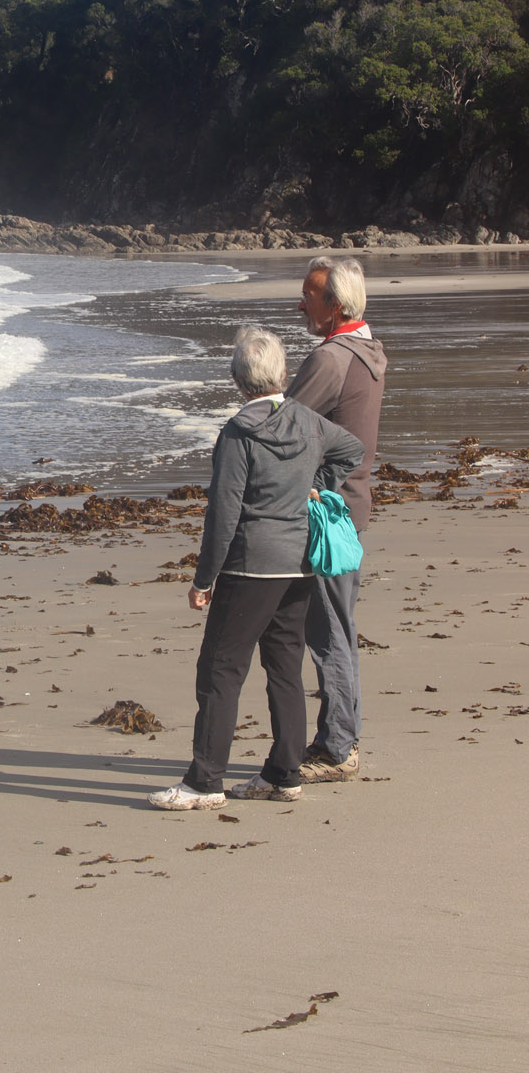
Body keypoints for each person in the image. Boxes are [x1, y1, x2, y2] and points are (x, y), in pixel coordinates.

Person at [148, 327, 364, 811]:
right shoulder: (309, 421)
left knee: (219, 670)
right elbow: (352, 447)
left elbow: (223, 516)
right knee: (284, 668)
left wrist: (203, 579)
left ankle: (204, 782)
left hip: (251, 568)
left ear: (238, 380)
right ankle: (284, 774)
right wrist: (316, 484)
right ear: (282, 374)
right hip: (300, 565)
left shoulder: (237, 433)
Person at [285, 255, 387, 783]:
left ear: (336, 305)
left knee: (327, 633)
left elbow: (281, 428)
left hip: (326, 511)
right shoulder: (368, 351)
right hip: (349, 506)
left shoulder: (331, 359)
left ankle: (336, 747)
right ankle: (341, 737)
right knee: (338, 628)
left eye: (309, 295)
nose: (300, 303)